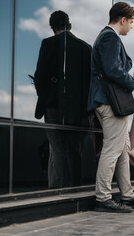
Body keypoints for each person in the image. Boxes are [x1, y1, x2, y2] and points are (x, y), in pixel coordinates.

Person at [88, 2, 134, 213]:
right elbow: (113, 70)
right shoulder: (109, 37)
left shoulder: (107, 37)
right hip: (109, 103)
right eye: (131, 22)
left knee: (122, 150)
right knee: (112, 149)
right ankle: (102, 198)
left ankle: (127, 195)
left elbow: (114, 69)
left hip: (109, 100)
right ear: (123, 20)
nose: (131, 27)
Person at [34, 10, 92, 188]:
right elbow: (89, 82)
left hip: (54, 106)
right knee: (75, 151)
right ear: (70, 25)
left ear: (52, 27)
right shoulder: (85, 48)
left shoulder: (48, 44)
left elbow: (40, 76)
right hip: (79, 110)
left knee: (57, 150)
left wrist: (46, 96)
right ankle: (74, 188)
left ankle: (58, 192)